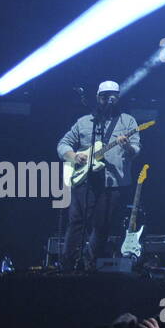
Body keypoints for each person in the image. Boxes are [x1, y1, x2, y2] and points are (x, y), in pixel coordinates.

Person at [58, 81, 141, 271]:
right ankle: (68, 265)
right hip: (84, 180)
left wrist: (126, 146)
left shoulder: (128, 121)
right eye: (105, 97)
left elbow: (135, 149)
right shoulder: (84, 122)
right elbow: (63, 144)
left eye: (113, 96)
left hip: (112, 182)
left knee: (101, 225)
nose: (109, 100)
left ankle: (90, 264)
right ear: (98, 98)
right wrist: (74, 156)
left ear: (118, 98)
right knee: (76, 222)